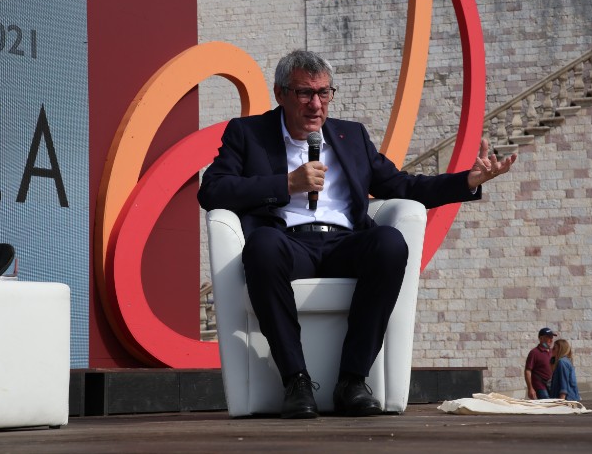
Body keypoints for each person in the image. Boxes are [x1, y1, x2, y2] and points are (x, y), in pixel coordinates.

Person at [198, 49, 516, 418]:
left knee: (389, 243)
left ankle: (352, 381)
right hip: (287, 242)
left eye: (324, 93)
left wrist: (467, 181)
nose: (316, 104)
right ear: (281, 93)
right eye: (305, 93)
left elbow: (402, 185)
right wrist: (286, 183)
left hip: (343, 243)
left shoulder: (351, 136)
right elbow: (212, 191)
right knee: (262, 246)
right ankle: (296, 381)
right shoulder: (248, 134)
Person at [524, 327, 557, 399]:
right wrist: (530, 388)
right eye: (549, 337)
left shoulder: (553, 352)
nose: (551, 340)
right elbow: (528, 371)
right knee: (547, 404)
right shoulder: (534, 353)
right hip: (540, 386)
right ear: (541, 338)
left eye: (552, 337)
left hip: (552, 385)